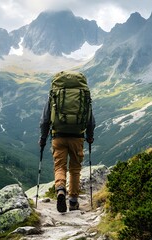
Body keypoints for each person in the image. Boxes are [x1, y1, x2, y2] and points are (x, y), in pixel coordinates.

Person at [39, 71, 95, 212]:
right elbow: (90, 119)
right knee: (75, 169)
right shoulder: (84, 94)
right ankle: (73, 201)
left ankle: (60, 190)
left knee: (60, 167)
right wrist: (90, 136)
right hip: (77, 136)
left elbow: (45, 120)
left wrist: (43, 138)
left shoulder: (55, 94)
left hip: (58, 136)